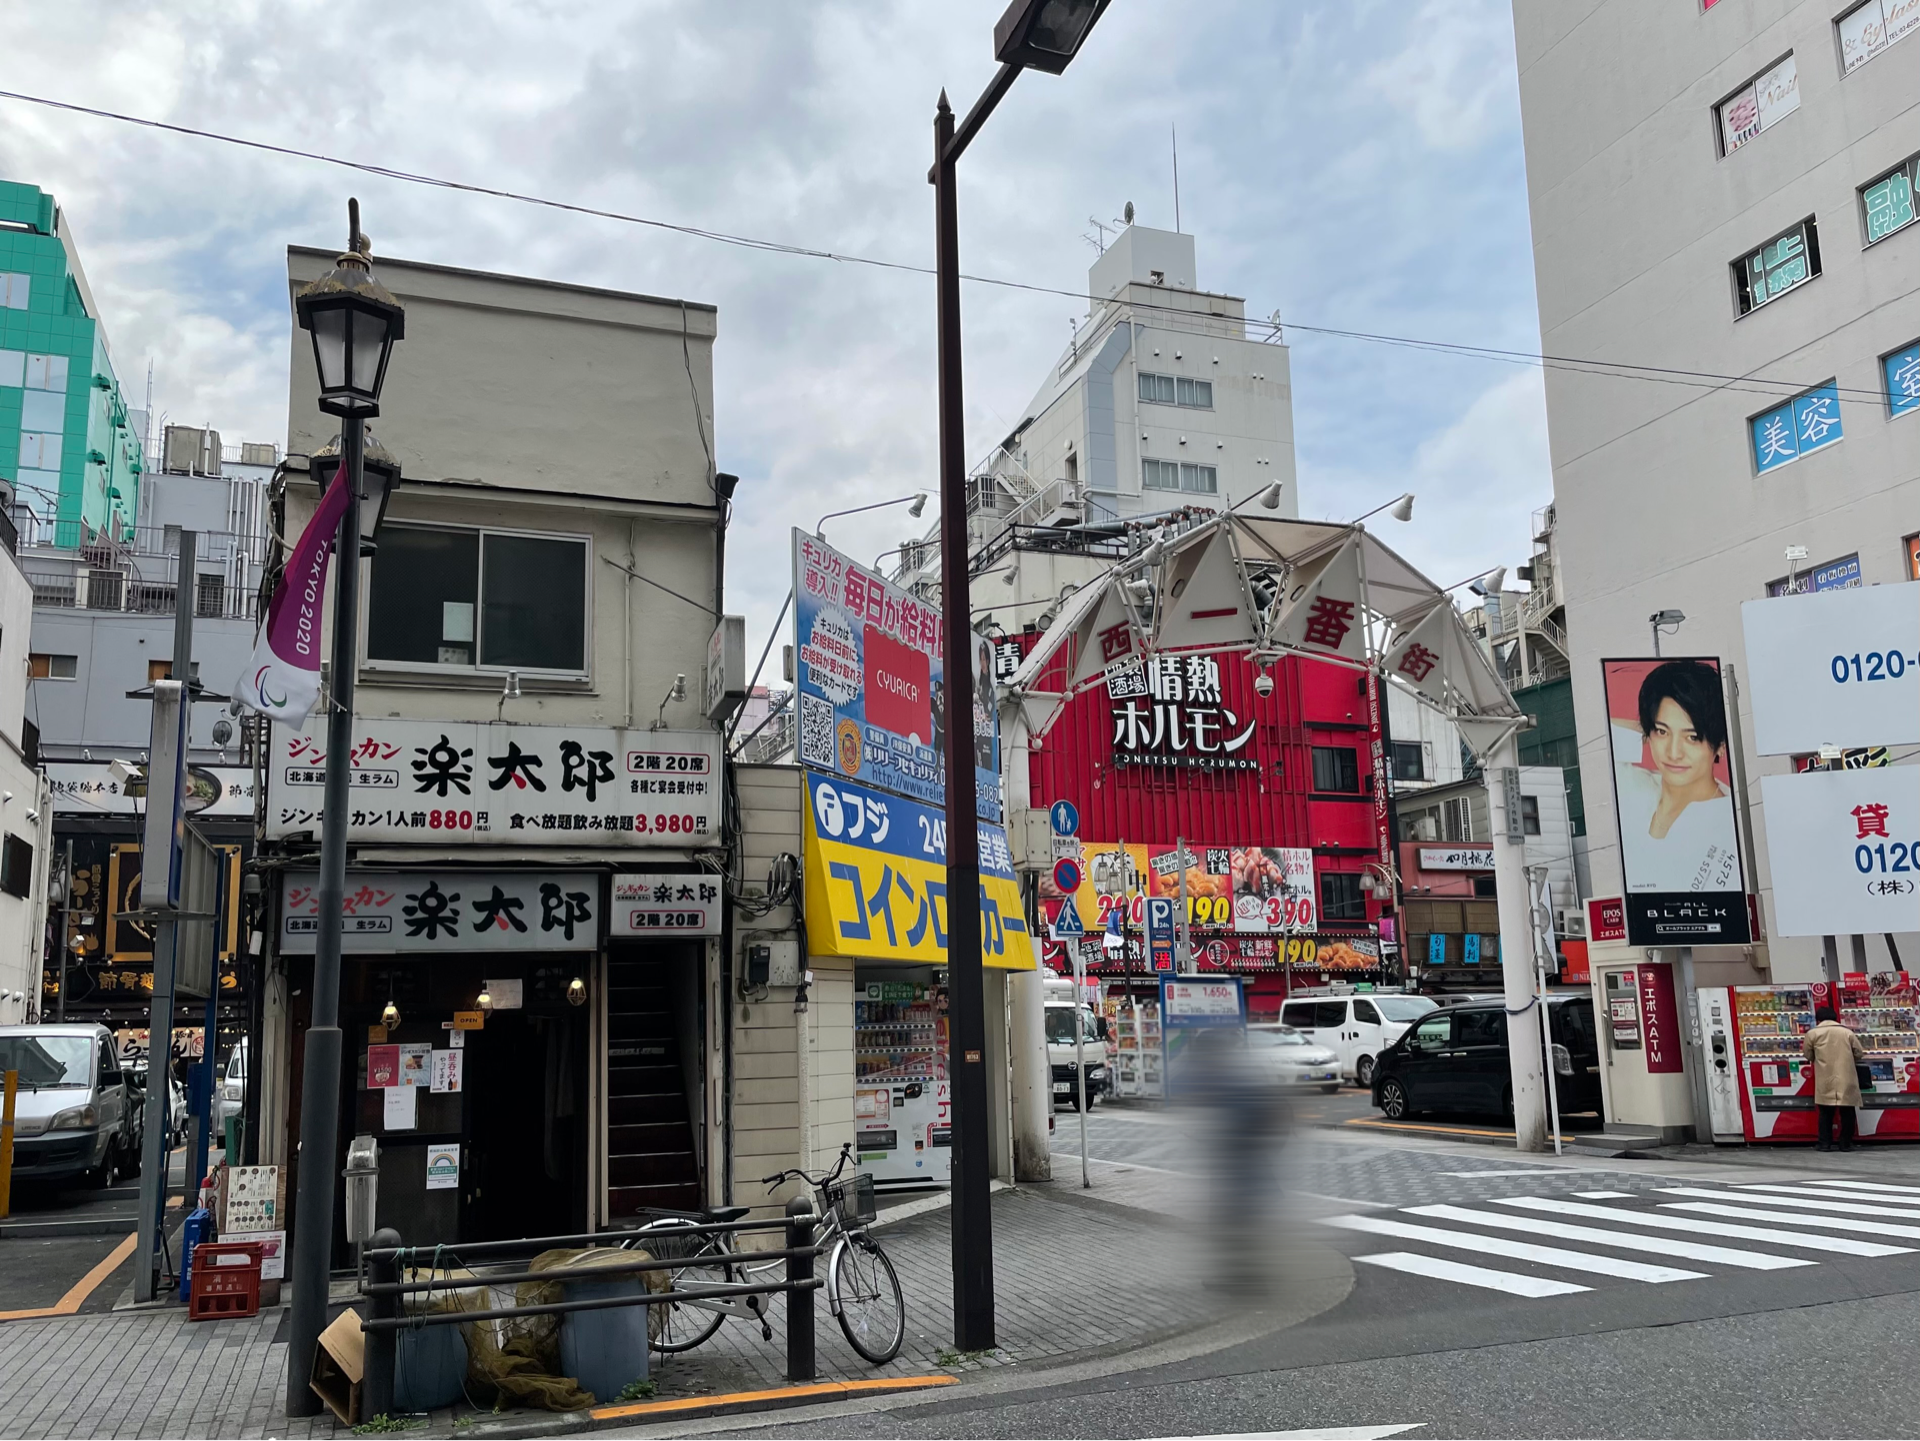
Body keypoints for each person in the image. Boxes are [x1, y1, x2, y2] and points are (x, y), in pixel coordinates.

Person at [1611, 660, 1741, 894]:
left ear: (1720, 745)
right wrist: (1647, 722)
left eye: (1691, 737)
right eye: (1662, 731)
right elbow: (1603, 738)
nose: (1673, 753)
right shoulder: (1635, 786)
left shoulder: (1726, 823)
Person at [1802, 1004, 1865, 1151]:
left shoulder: (1812, 1033)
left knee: (1825, 1113)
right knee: (1847, 1112)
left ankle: (1825, 1143)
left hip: (1825, 1077)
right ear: (1835, 1018)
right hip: (1846, 1076)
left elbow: (1808, 1054)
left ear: (1818, 1020)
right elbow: (1859, 1052)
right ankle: (1846, 1143)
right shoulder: (1847, 1032)